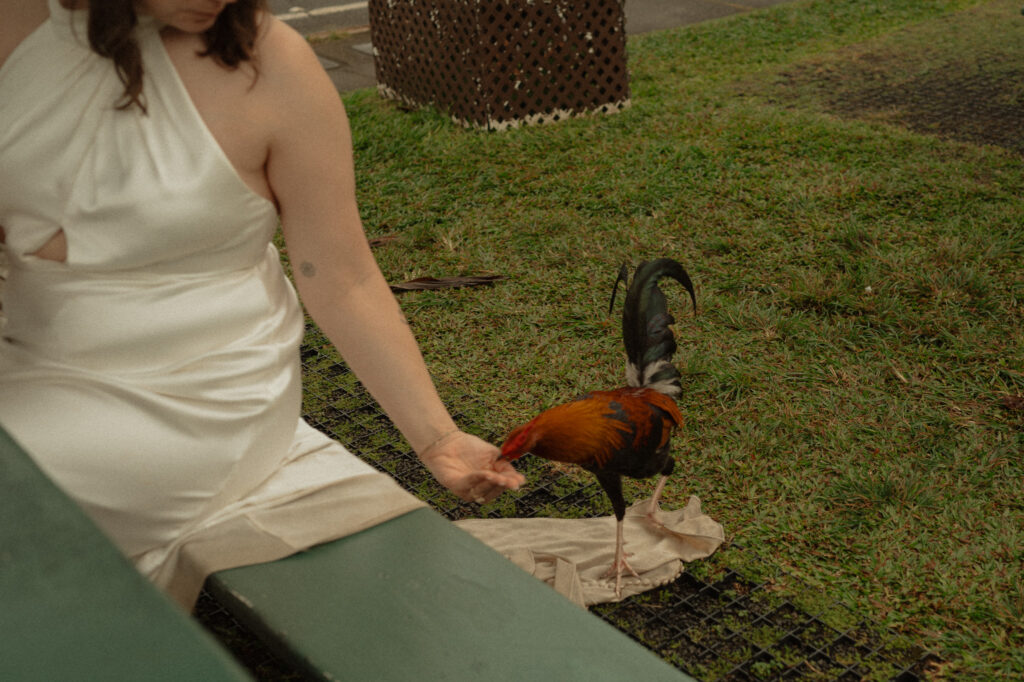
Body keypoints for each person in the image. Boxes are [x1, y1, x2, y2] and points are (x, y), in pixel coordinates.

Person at [0, 0, 524, 606]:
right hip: (32, 360)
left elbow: (340, 275)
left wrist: (438, 439)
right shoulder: (16, 25)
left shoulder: (271, 65)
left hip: (197, 400)